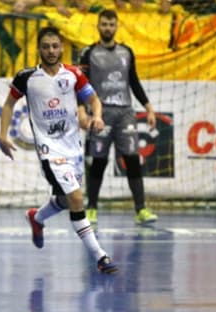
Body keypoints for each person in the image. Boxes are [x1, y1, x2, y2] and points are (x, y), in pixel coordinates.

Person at [0, 26, 118, 274]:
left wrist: (97, 117)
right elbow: (9, 104)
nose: (51, 51)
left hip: (73, 148)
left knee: (65, 200)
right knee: (76, 198)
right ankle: (101, 256)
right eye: (45, 47)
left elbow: (94, 100)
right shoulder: (27, 77)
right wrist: (2, 134)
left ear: (62, 47)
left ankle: (37, 218)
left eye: (55, 46)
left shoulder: (74, 75)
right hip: (49, 151)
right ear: (39, 49)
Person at [78, 9, 158, 225]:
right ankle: (92, 208)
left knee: (132, 159)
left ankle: (141, 210)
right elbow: (80, 84)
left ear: (116, 27)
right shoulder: (88, 53)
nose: (107, 28)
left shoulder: (126, 52)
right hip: (100, 113)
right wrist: (81, 110)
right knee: (99, 161)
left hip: (125, 113)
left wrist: (149, 108)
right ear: (98, 26)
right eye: (104, 24)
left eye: (111, 25)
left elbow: (134, 81)